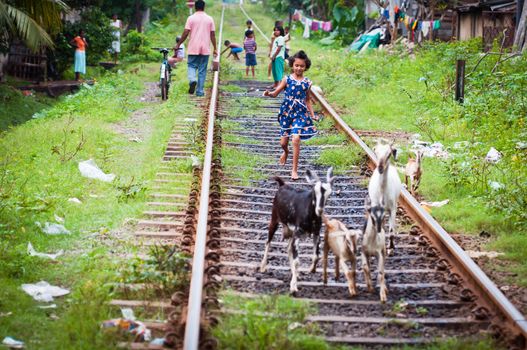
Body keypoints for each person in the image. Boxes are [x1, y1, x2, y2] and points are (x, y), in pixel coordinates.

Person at [264, 50, 318, 180]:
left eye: (302, 66)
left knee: (295, 139)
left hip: (300, 114)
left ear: (306, 67)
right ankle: (286, 151)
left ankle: (294, 170)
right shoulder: (287, 79)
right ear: (292, 65)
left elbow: (308, 100)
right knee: (283, 143)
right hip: (287, 113)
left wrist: (312, 115)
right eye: (296, 65)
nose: (299, 68)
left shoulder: (307, 83)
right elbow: (276, 93)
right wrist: (269, 94)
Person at [174, 0, 217, 97]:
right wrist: (215, 48)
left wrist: (178, 44)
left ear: (195, 7)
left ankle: (193, 79)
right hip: (205, 48)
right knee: (202, 70)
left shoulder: (191, 18)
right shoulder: (210, 19)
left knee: (191, 66)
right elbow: (213, 34)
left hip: (193, 47)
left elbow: (185, 32)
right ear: (204, 7)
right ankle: (200, 91)